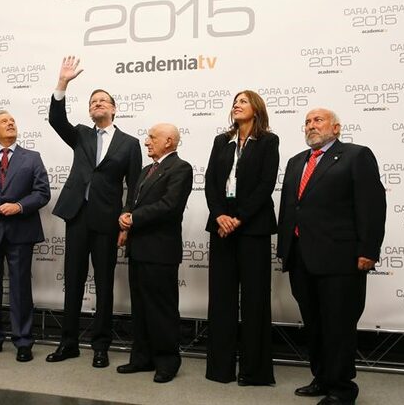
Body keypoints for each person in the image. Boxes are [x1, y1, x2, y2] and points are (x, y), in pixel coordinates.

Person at [277, 108, 386, 405]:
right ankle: (322, 378)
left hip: (341, 259)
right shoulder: (296, 161)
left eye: (318, 120)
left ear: (336, 128)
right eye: (307, 122)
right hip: (301, 258)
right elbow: (290, 208)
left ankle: (342, 389)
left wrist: (368, 250)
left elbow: (372, 206)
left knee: (338, 325)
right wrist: (285, 250)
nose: (311, 125)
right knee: (313, 324)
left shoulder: (356, 155)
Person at [46, 56, 142, 368]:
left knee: (103, 283)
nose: (97, 103)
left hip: (107, 220)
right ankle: (68, 343)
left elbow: (135, 186)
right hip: (77, 215)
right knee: (73, 281)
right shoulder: (81, 134)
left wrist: (126, 221)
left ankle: (101, 345)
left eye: (103, 100)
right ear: (89, 111)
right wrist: (63, 83)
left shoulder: (130, 143)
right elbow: (56, 120)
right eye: (92, 102)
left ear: (114, 109)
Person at [204, 90, 279, 386]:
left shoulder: (268, 141)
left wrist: (239, 218)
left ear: (256, 109)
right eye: (235, 102)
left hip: (253, 226)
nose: (236, 105)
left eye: (243, 101)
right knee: (221, 299)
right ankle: (220, 369)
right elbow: (211, 182)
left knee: (254, 299)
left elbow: (266, 184)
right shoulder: (221, 141)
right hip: (221, 225)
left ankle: (254, 371)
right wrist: (220, 215)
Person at [0, 111, 50, 362]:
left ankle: (23, 341)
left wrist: (19, 206)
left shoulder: (32, 157)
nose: (11, 123)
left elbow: (42, 192)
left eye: (13, 120)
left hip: (21, 231)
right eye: (4, 121)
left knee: (20, 288)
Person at [116, 123, 193, 383]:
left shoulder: (181, 168)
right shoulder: (145, 170)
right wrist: (125, 216)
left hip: (161, 251)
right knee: (140, 308)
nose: (146, 141)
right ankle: (142, 358)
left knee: (162, 309)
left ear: (168, 141)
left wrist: (134, 218)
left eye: (152, 137)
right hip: (138, 249)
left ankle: (167, 362)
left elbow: (170, 206)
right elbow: (132, 201)